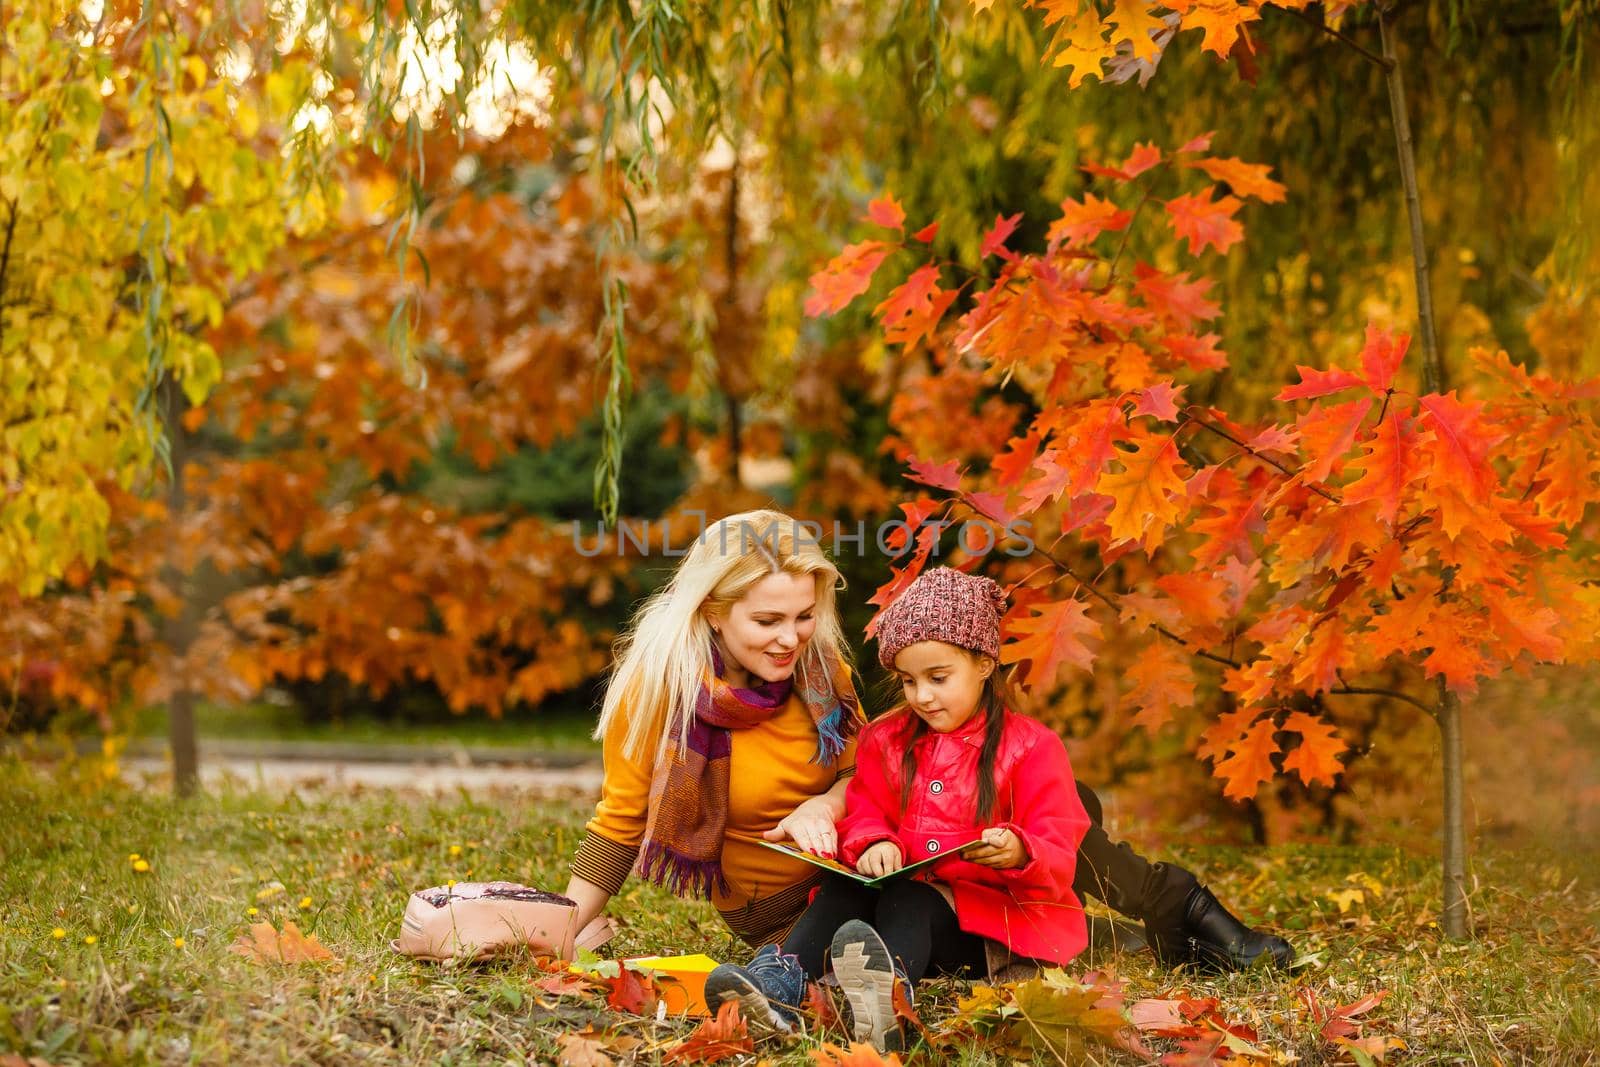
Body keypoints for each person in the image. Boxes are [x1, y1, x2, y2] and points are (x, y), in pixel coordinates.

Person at [562, 512, 1292, 988]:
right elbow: (621, 820)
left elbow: (862, 773)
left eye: (806, 615)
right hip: (805, 899)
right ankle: (1158, 921)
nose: (792, 638)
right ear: (714, 612)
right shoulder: (661, 693)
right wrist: (567, 930)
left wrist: (826, 801)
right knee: (956, 886)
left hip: (870, 854)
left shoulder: (821, 672)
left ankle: (1166, 911)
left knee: (1061, 805)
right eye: (767, 620)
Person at [706, 567, 1093, 1050]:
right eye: (909, 681)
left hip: (991, 927)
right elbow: (864, 808)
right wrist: (873, 842)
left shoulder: (1031, 747)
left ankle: (890, 1008)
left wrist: (1019, 851)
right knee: (848, 884)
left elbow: (1059, 844)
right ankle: (780, 984)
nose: (922, 696)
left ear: (984, 664)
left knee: (910, 898)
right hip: (897, 915)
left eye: (938, 678)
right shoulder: (888, 740)